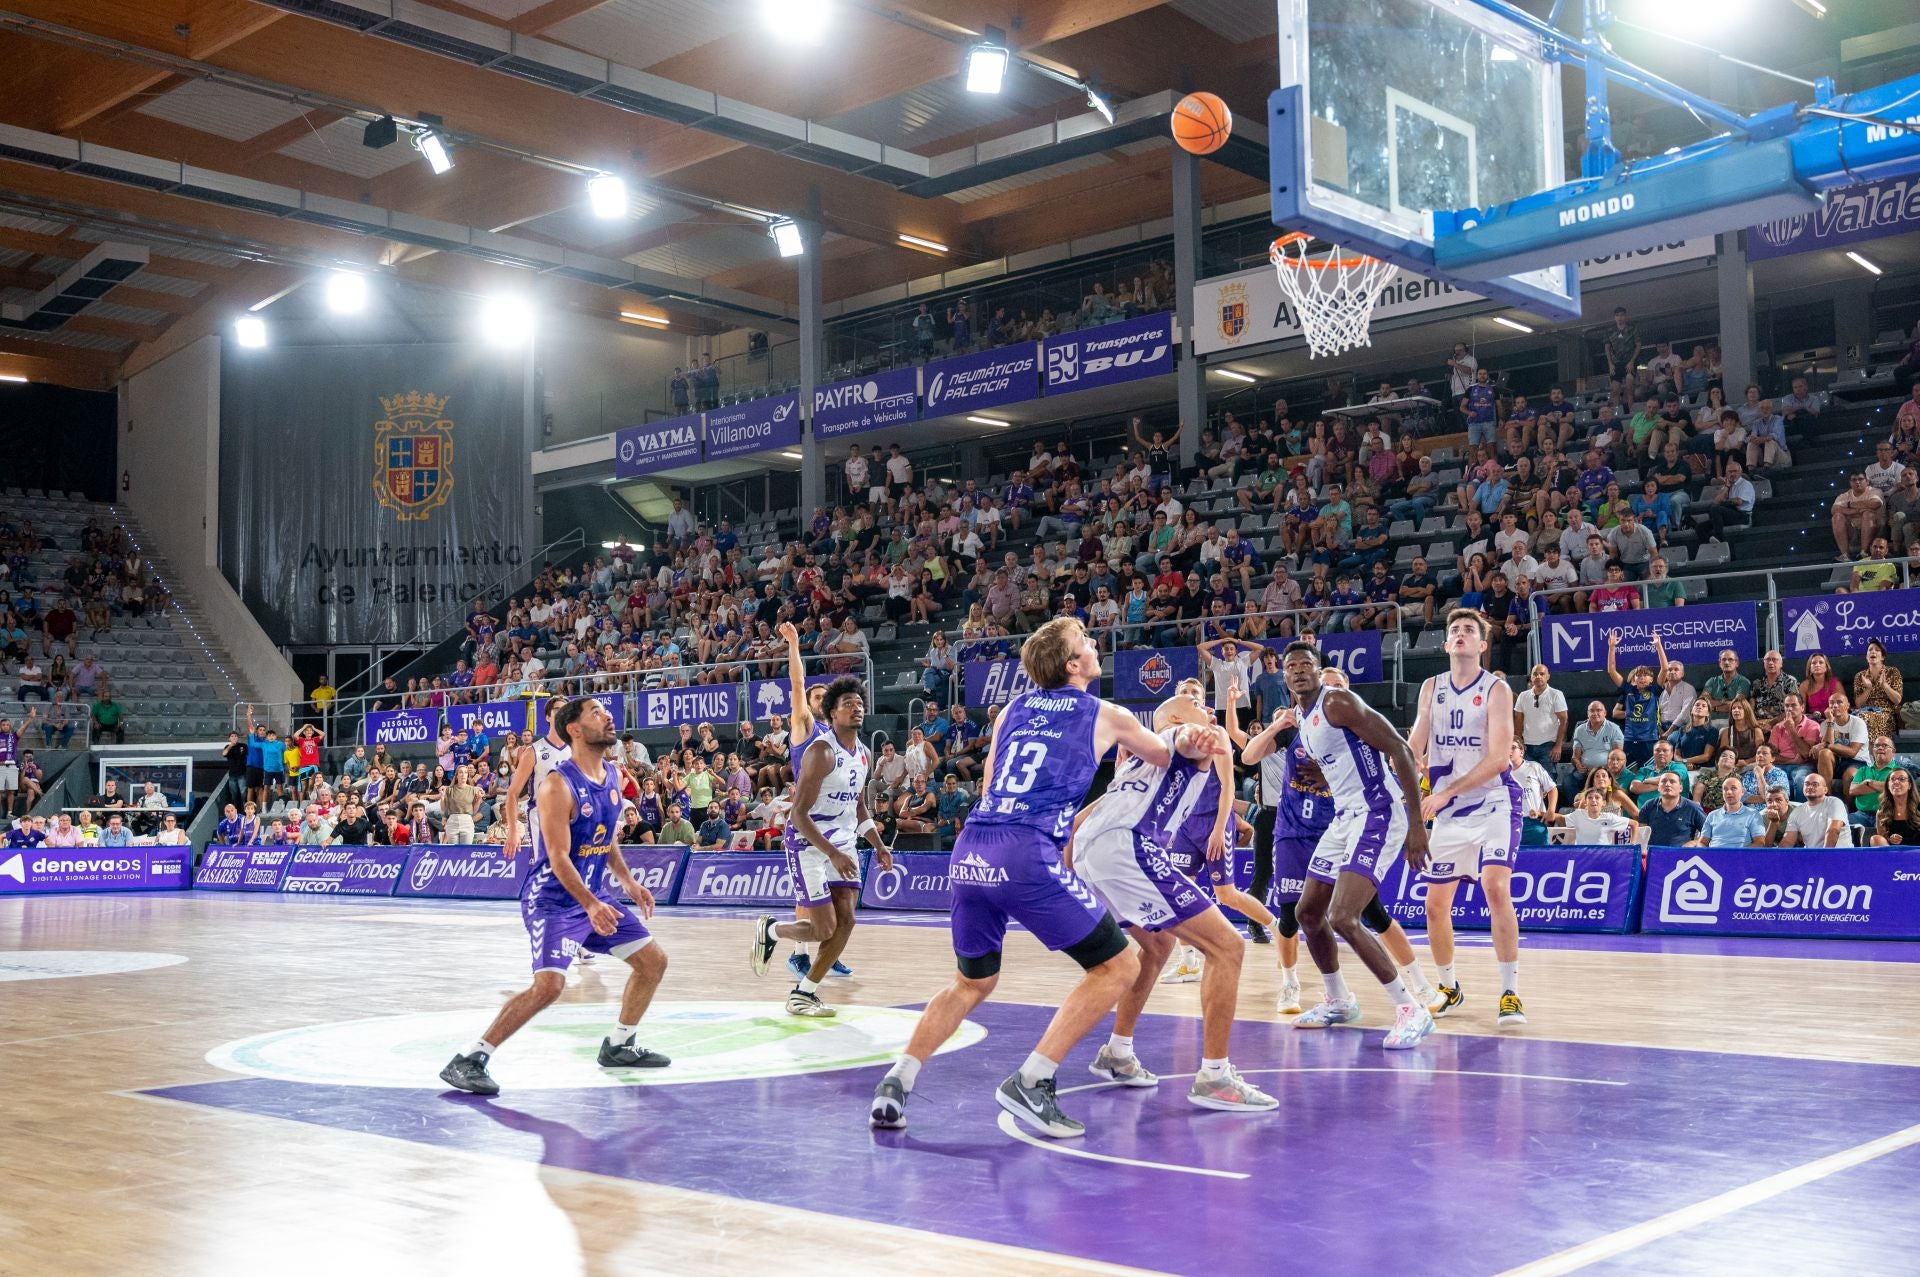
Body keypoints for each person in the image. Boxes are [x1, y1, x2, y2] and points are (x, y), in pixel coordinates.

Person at [869, 617, 1188, 1138]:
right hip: (1025, 852)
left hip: (972, 848)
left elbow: (993, 777)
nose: (1092, 644)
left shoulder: (1012, 710)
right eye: (1084, 641)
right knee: (1120, 964)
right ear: (1073, 665)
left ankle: (896, 1082)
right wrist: (1186, 730)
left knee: (972, 981)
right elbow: (1162, 754)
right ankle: (1034, 1079)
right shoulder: (1107, 713)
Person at [440, 698, 670, 1096]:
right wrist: (590, 904)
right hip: (554, 899)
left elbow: (605, 839)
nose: (608, 715)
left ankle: (619, 1045)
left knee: (653, 961)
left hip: (593, 896)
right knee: (549, 986)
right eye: (596, 712)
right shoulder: (557, 784)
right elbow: (558, 856)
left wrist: (628, 883)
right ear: (575, 730)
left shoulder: (613, 774)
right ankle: (469, 1059)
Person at [1064, 683, 1274, 1111]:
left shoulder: (1135, 762)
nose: (1206, 709)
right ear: (1177, 719)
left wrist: (1069, 858)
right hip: (1127, 848)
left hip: (1099, 850)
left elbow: (1090, 813)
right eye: (1196, 705)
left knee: (1158, 944)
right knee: (1228, 946)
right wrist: (1201, 735)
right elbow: (1185, 738)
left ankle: (1117, 1054)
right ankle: (1215, 1077)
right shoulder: (1176, 739)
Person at [1271, 642, 1435, 1049]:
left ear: (1318, 669)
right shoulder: (1303, 722)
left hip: (1378, 811)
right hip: (1344, 817)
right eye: (1291, 667)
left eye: (1305, 665)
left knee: (1345, 917)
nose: (1298, 672)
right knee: (1308, 912)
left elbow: (1399, 748)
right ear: (1285, 677)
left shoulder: (1338, 702)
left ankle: (1411, 1009)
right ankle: (1339, 1000)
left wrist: (1417, 826)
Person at [751, 677, 892, 1017]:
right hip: (807, 843)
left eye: (858, 702)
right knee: (823, 928)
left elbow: (858, 806)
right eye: (847, 703)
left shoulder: (864, 754)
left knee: (847, 922)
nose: (856, 706)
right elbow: (798, 815)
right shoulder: (821, 752)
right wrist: (832, 852)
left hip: (843, 844)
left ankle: (804, 992)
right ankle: (771, 930)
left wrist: (878, 843)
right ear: (831, 713)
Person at [1412, 610, 1525, 1028]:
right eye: (1454, 630)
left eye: (1469, 631)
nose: (1460, 634)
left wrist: (1441, 793)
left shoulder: (1496, 690)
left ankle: (1510, 993)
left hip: (1495, 800)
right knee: (1434, 905)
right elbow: (1415, 744)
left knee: (1495, 888)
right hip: (1451, 810)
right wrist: (1401, 775)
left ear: (1482, 645)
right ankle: (1449, 987)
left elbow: (1498, 759)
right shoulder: (1431, 687)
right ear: (1445, 644)